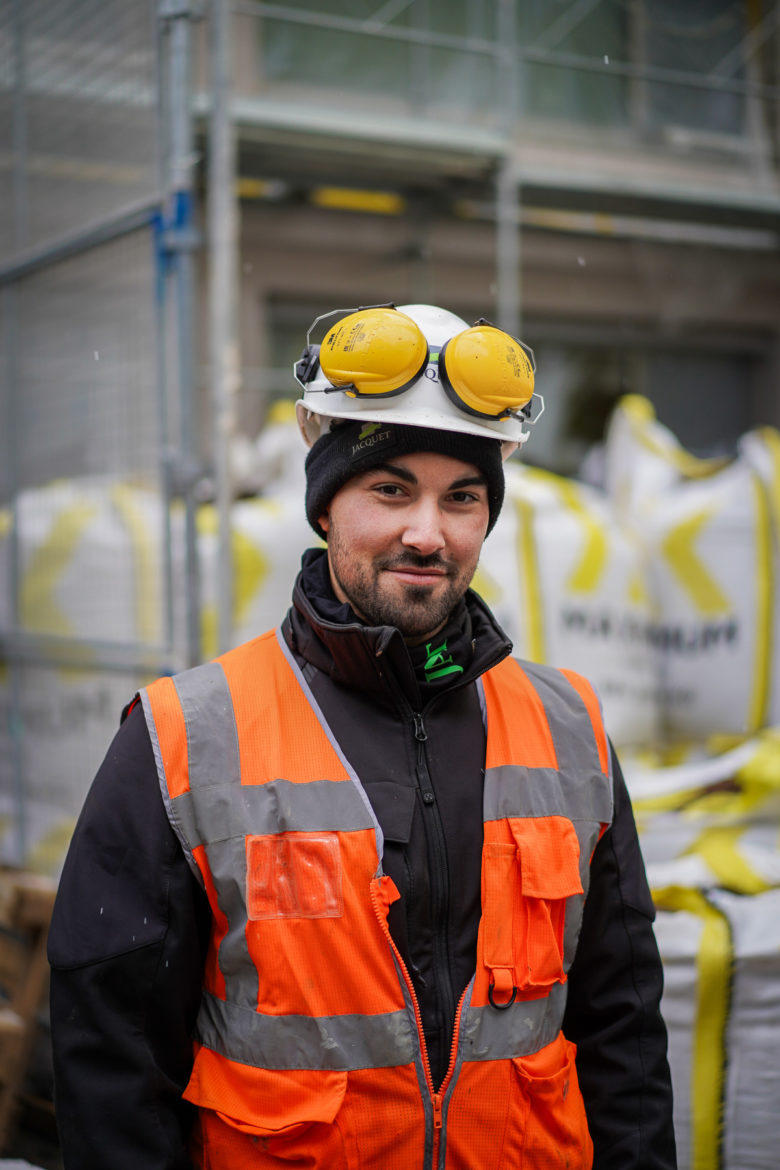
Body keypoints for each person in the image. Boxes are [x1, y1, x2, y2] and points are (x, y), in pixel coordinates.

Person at [48, 303, 676, 1169]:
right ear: (323, 507)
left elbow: (624, 1030)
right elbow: (110, 1060)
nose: (429, 533)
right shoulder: (180, 736)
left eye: (462, 497)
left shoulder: (571, 729)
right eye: (390, 491)